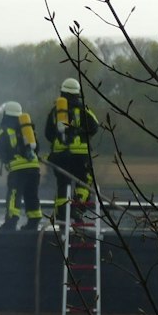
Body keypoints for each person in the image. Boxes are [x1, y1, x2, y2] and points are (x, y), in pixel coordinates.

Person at [45, 77, 101, 223]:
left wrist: (60, 141)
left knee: (63, 183)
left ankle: (62, 214)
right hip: (80, 155)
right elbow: (95, 126)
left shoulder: (55, 111)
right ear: (77, 94)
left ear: (62, 92)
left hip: (60, 156)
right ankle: (77, 207)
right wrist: (81, 132)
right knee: (84, 181)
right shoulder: (83, 110)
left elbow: (48, 134)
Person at [0, 101, 44, 231]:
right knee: (31, 195)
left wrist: (6, 159)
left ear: (6, 114)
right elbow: (36, 148)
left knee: (14, 195)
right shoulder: (28, 129)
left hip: (17, 170)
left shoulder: (4, 130)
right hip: (33, 168)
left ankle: (10, 223)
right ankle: (33, 222)